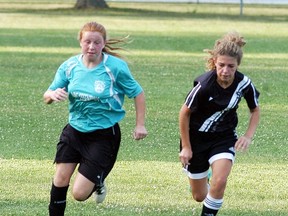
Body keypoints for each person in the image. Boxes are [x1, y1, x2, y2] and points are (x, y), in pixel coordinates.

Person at [43, 21, 148, 216]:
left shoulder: (115, 68)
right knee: (60, 179)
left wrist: (140, 125)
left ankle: (97, 181)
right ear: (80, 42)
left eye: (97, 42)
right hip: (74, 131)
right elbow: (48, 93)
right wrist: (52, 95)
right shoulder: (70, 66)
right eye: (87, 42)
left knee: (80, 194)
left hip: (103, 135)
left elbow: (138, 93)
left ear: (104, 43)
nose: (91, 46)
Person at [179, 31, 260, 216]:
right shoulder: (204, 85)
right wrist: (186, 147)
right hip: (196, 139)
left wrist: (248, 136)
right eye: (221, 65)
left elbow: (255, 110)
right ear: (215, 62)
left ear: (238, 65)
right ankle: (205, 178)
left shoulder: (244, 84)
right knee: (199, 196)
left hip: (224, 138)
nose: (225, 71)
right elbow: (184, 113)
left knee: (220, 181)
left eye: (231, 66)